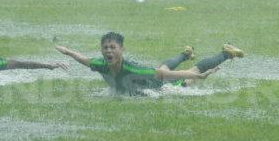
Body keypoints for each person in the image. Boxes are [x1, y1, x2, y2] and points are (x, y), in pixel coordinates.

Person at [55, 32, 244, 95]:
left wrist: (198, 76)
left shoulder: (131, 69)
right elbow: (84, 60)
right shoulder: (100, 63)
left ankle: (226, 53)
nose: (108, 51)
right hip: (153, 79)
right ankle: (186, 53)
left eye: (113, 47)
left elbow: (164, 76)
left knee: (189, 77)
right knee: (163, 66)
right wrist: (68, 51)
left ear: (122, 50)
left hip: (160, 86)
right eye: (105, 47)